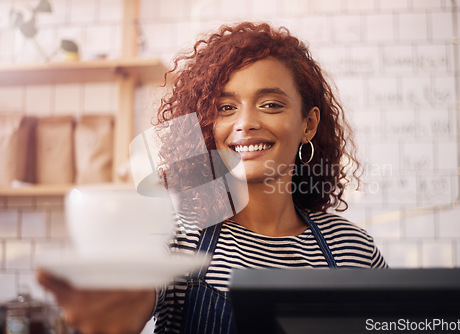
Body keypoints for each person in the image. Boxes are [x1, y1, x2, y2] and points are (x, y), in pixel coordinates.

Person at [38, 22, 387, 334]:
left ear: (308, 124)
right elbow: (132, 296)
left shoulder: (353, 249)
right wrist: (117, 310)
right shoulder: (179, 234)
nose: (245, 123)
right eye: (226, 108)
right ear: (208, 127)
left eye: (271, 105)